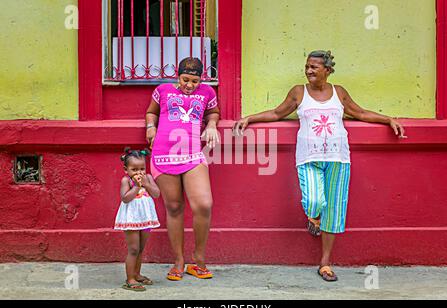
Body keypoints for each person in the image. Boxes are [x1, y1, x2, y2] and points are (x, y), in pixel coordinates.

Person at [233, 50, 406, 282]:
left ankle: (325, 263)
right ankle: (313, 217)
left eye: (314, 67)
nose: (309, 70)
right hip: (308, 158)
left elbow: (361, 113)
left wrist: (388, 120)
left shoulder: (339, 93)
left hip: (339, 159)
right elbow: (277, 112)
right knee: (314, 200)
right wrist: (250, 118)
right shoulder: (298, 92)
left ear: (327, 70)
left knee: (334, 210)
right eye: (307, 66)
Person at [145, 57, 220, 281]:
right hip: (164, 153)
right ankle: (178, 260)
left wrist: (213, 125)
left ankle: (198, 259)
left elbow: (213, 113)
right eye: (185, 80)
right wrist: (150, 127)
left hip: (193, 154)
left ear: (201, 79)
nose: (190, 85)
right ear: (177, 76)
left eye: (195, 81)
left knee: (204, 204)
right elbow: (152, 112)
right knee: (175, 207)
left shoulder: (208, 92)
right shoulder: (163, 90)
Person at [114, 147, 161, 291]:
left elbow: (157, 194)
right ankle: (130, 279)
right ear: (126, 169)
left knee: (140, 248)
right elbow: (125, 198)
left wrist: (146, 184)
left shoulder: (148, 178)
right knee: (133, 249)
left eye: (142, 168)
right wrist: (136, 187)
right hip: (131, 218)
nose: (139, 172)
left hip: (145, 217)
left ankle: (137, 274)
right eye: (134, 169)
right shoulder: (126, 181)